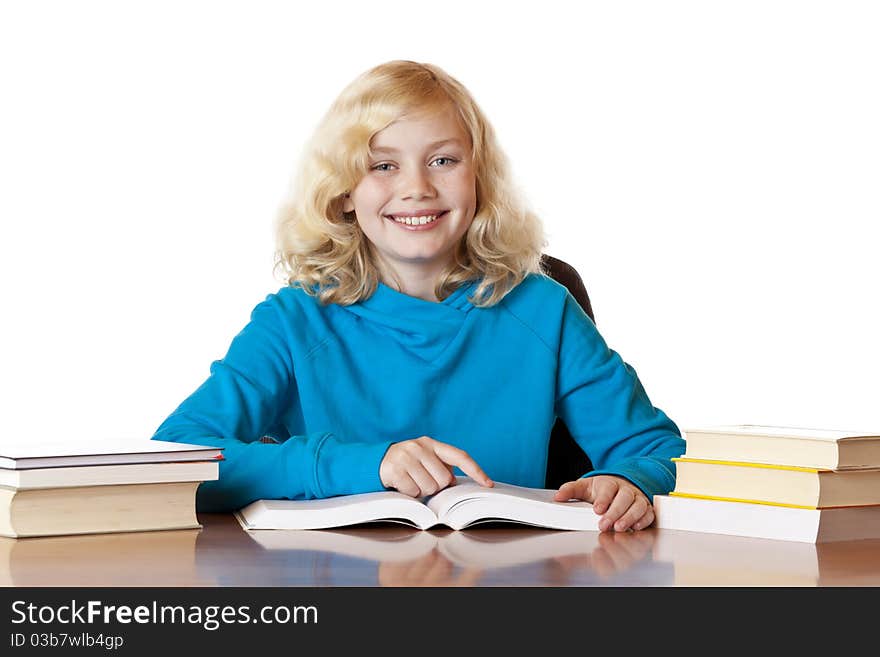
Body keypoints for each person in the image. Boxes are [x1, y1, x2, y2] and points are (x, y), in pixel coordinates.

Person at [151, 60, 685, 533]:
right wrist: (362, 465)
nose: (417, 189)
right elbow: (174, 463)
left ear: (480, 178)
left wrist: (626, 479)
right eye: (383, 165)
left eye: (443, 161)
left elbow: (659, 450)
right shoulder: (294, 322)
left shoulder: (544, 311)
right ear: (342, 192)